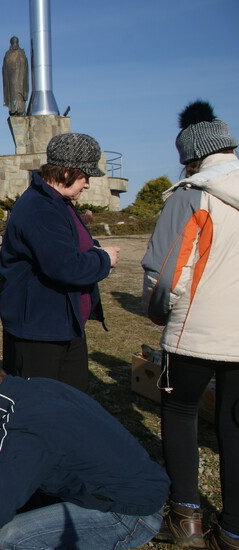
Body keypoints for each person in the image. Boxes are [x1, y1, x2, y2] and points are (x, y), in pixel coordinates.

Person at [0, 358, 169, 550]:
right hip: (140, 487)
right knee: (21, 503)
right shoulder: (35, 388)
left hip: (129, 512)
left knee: (13, 537)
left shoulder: (20, 425)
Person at [142, 100, 239, 550]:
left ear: (192, 157)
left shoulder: (191, 194)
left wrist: (158, 311)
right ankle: (233, 530)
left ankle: (186, 516)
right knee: (233, 424)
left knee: (180, 413)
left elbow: (165, 271)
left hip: (195, 331)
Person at [0, 132, 120, 391]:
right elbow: (66, 267)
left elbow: (71, 244)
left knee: (70, 402)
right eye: (85, 177)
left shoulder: (58, 203)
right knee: (41, 404)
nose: (87, 185)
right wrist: (104, 258)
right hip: (39, 333)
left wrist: (93, 250)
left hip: (61, 326)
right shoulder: (39, 208)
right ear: (66, 172)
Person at [2, 36, 29, 116]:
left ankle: (18, 110)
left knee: (17, 94)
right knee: (15, 94)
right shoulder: (12, 54)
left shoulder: (11, 54)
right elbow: (5, 69)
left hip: (19, 80)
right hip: (15, 81)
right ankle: (16, 109)